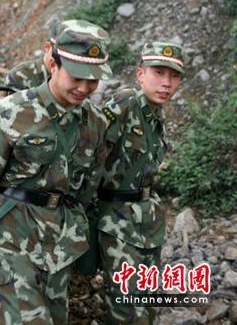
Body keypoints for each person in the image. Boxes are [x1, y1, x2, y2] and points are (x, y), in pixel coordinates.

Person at [0, 19, 111, 324]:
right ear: (52, 63)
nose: (84, 88)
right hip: (11, 233)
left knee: (55, 315)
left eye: (93, 80)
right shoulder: (13, 113)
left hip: (60, 239)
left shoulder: (95, 122)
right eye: (77, 77)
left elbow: (89, 184)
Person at [96, 41, 185, 324]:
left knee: (148, 301)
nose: (166, 83)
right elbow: (89, 156)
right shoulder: (124, 105)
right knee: (126, 307)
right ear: (140, 74)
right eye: (158, 72)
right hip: (116, 220)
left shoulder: (155, 114)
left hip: (146, 219)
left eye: (174, 76)